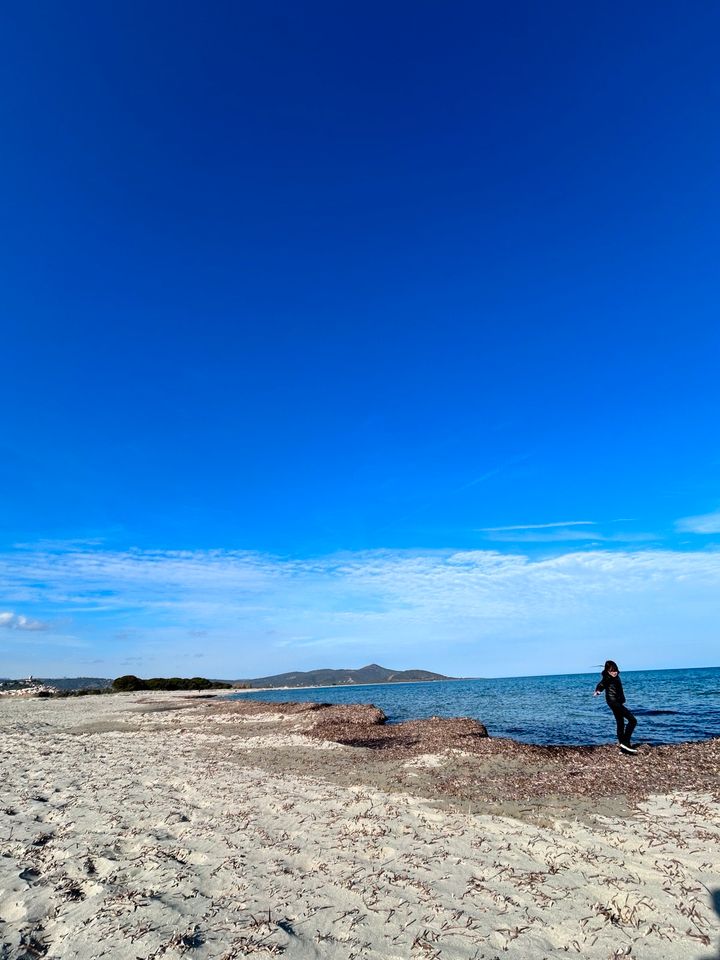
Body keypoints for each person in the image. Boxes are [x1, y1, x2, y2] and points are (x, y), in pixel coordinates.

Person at [593, 660, 638, 754]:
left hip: (617, 702)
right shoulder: (607, 677)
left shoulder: (616, 677)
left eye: (615, 670)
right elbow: (602, 684)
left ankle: (623, 747)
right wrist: (598, 690)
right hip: (613, 702)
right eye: (611, 671)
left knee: (620, 723)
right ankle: (625, 743)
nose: (614, 672)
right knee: (633, 720)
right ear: (607, 671)